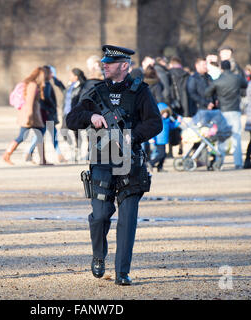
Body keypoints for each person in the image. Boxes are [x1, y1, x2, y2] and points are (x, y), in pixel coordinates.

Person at [66, 45, 162, 286]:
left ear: (124, 66)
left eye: (109, 62)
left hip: (130, 163)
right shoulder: (95, 91)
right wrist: (91, 117)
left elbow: (155, 123)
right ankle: (98, 255)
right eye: (104, 62)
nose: (104, 65)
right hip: (102, 161)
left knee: (127, 220)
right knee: (99, 216)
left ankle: (122, 272)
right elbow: (70, 120)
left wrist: (130, 137)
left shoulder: (140, 91)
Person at [205, 60, 248, 169]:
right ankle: (238, 163)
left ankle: (220, 162)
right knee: (236, 137)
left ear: (222, 68)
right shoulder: (236, 78)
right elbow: (246, 84)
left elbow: (207, 92)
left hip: (223, 110)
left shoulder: (218, 80)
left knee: (222, 137)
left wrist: (215, 95)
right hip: (235, 109)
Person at [3, 67, 46, 165]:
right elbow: (29, 103)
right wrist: (29, 117)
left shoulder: (32, 84)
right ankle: (7, 154)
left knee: (37, 135)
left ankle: (43, 160)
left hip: (32, 116)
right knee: (22, 136)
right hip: (31, 116)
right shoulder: (33, 85)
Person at [26, 66, 65, 164]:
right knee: (45, 135)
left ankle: (58, 154)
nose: (52, 75)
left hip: (44, 113)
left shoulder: (42, 84)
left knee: (47, 134)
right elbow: (47, 98)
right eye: (51, 73)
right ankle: (29, 153)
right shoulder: (46, 84)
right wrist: (52, 107)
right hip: (47, 114)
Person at [55, 68, 87, 161]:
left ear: (76, 77)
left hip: (75, 112)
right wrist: (60, 85)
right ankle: (73, 146)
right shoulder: (70, 85)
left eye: (71, 75)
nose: (69, 77)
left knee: (76, 132)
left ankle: (78, 150)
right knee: (63, 130)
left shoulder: (81, 87)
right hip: (66, 112)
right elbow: (66, 94)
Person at [148, 103, 181, 172]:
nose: (166, 114)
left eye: (166, 113)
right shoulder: (157, 121)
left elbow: (172, 126)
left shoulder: (167, 121)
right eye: (164, 113)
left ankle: (160, 167)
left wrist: (178, 121)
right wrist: (152, 138)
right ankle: (151, 163)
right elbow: (153, 130)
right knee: (161, 154)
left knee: (164, 154)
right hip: (158, 140)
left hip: (164, 140)